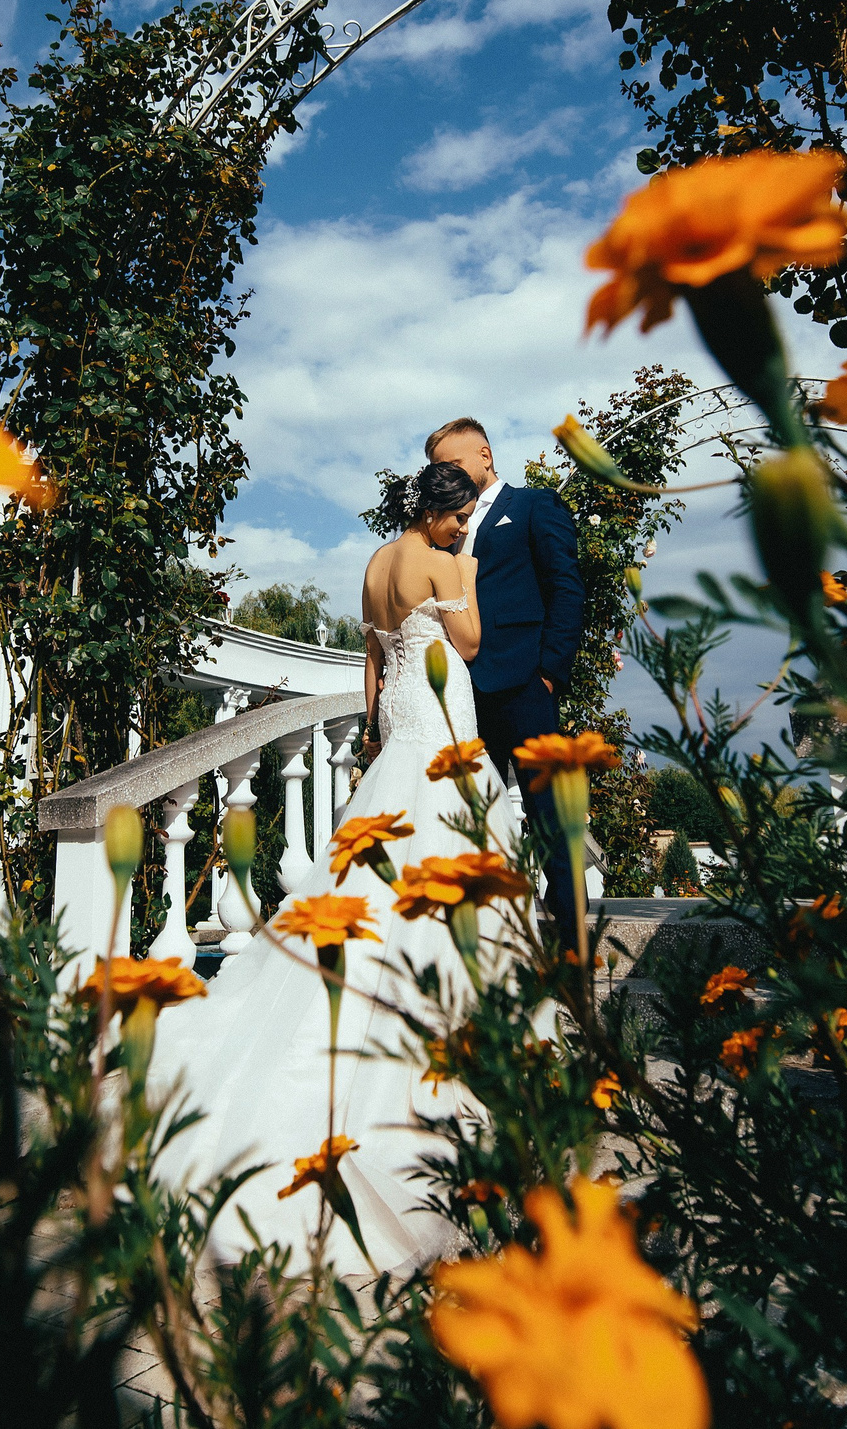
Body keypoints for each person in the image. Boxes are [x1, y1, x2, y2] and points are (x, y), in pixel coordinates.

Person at [144, 459, 523, 1276]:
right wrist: (467, 574)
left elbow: (372, 662)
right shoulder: (443, 558)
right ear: (440, 513)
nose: (466, 530)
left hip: (402, 729)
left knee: (366, 881)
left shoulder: (375, 563)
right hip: (442, 730)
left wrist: (382, 731)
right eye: (461, 519)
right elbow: (472, 643)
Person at [425, 417, 586, 949]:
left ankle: (570, 944)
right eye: (436, 468)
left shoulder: (536, 506)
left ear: (484, 455)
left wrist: (548, 673)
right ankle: (492, 942)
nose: (441, 474)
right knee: (473, 819)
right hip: (464, 695)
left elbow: (566, 586)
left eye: (450, 464)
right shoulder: (443, 528)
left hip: (525, 687)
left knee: (549, 820)